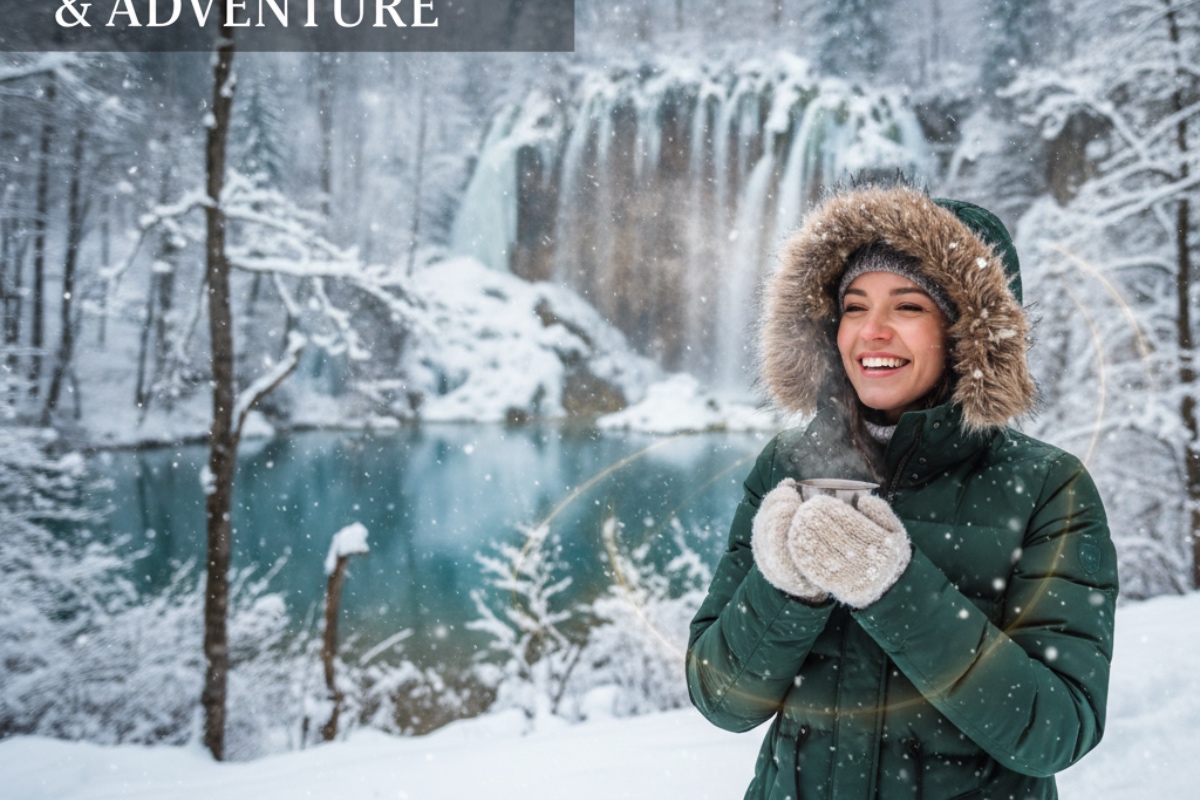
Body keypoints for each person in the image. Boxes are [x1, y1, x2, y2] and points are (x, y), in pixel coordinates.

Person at [685, 183, 1118, 800]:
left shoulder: (1049, 488)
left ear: (968, 333)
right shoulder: (787, 466)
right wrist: (785, 587)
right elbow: (722, 701)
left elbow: (1056, 731)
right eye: (854, 307)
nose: (872, 333)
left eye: (909, 307)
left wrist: (890, 586)